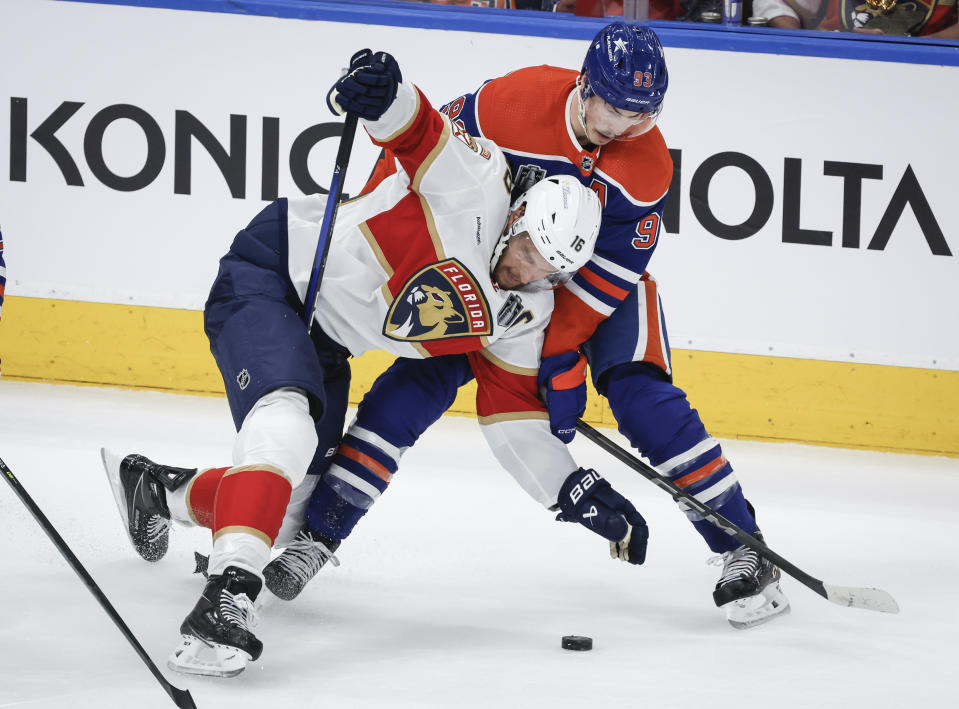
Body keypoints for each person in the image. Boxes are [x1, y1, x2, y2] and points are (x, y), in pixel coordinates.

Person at [101, 48, 650, 677]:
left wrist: (573, 490)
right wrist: (385, 90)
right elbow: (418, 130)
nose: (527, 271)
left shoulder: (525, 311)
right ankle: (225, 601)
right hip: (275, 271)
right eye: (530, 251)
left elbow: (513, 421)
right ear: (520, 215)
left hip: (326, 340)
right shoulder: (480, 180)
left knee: (288, 514)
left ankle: (154, 490)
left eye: (551, 270)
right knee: (287, 424)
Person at [268, 22, 791, 631]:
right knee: (408, 393)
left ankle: (742, 546)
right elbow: (426, 148)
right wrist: (387, 208)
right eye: (615, 107)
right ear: (586, 83)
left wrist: (559, 354)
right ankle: (318, 537)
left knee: (643, 399)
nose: (623, 127)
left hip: (593, 288)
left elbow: (610, 277)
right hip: (498, 267)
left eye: (641, 115)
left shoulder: (647, 167)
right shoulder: (514, 102)